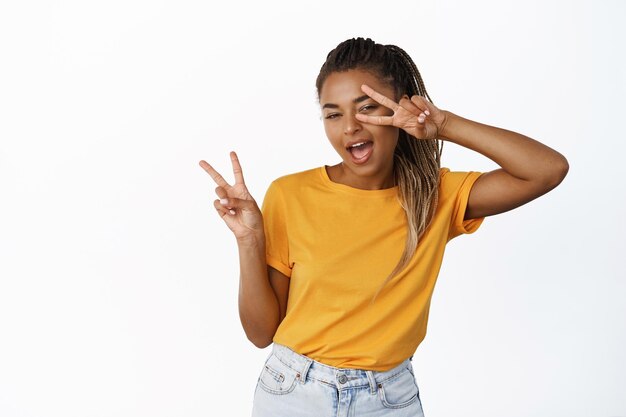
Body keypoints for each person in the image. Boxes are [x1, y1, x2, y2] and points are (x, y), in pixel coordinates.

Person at [199, 37, 568, 417]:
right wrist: (249, 241)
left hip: (389, 400)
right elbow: (261, 333)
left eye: (367, 108)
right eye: (333, 114)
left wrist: (442, 124)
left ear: (400, 107)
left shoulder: (434, 196)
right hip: (294, 392)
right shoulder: (290, 195)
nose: (350, 127)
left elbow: (546, 170)